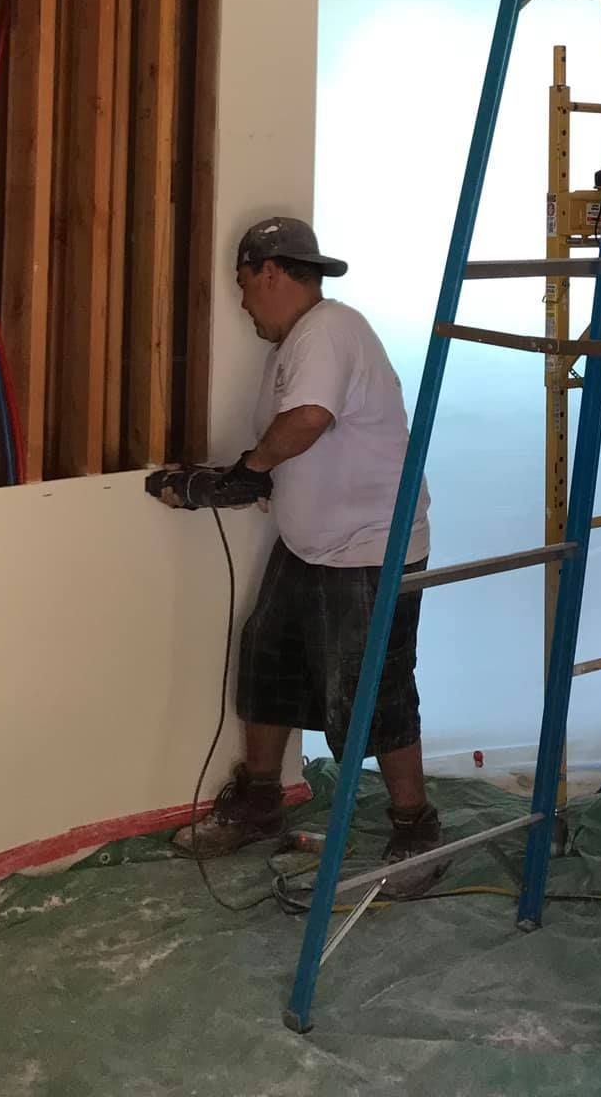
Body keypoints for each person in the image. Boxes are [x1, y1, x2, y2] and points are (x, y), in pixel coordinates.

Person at [160, 216, 438, 888]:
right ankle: (260, 802)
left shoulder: (328, 329)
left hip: (370, 549)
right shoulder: (297, 345)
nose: (243, 303)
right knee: (268, 661)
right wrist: (243, 479)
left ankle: (415, 827)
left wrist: (251, 468)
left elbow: (310, 419)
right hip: (309, 547)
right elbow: (301, 438)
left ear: (271, 273)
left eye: (242, 285)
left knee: (373, 689)